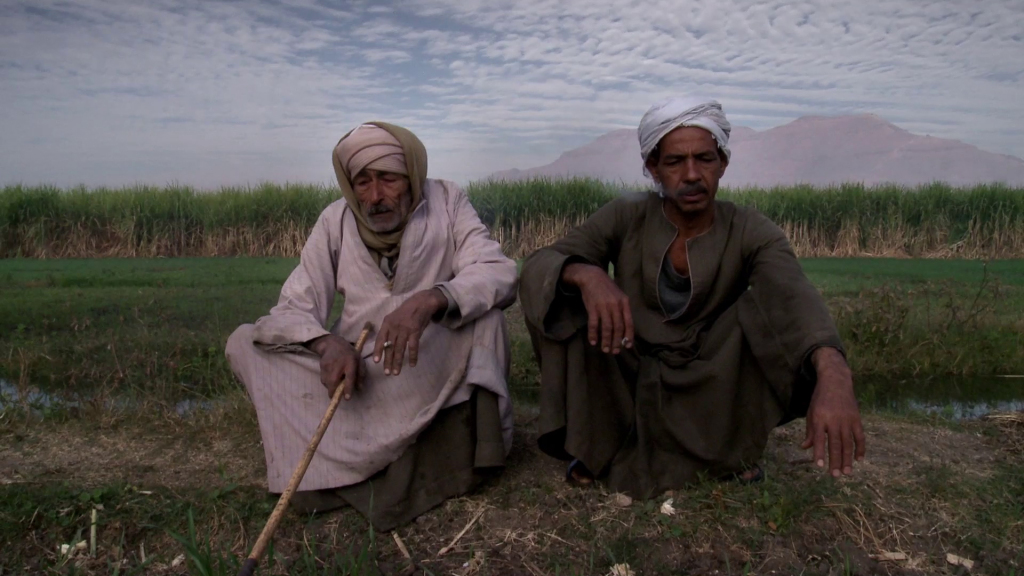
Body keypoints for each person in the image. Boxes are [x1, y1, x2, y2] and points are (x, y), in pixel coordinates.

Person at [518, 97, 866, 498]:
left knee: (764, 312)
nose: (691, 175)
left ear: (723, 164)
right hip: (628, 365)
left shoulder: (751, 229)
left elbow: (794, 294)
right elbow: (539, 263)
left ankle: (727, 452)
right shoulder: (626, 215)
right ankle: (597, 441)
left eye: (704, 159)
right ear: (653, 168)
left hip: (709, 376)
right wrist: (586, 274)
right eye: (674, 162)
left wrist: (835, 374)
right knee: (561, 289)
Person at [226, 122, 517, 530]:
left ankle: (452, 453)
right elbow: (293, 306)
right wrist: (326, 344)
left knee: (486, 317)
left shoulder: (447, 200)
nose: (375, 196)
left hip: (425, 357)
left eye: (388, 179)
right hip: (360, 371)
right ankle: (348, 455)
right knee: (244, 341)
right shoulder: (335, 221)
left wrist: (431, 300)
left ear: (411, 175)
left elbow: (496, 271)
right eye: (362, 183)